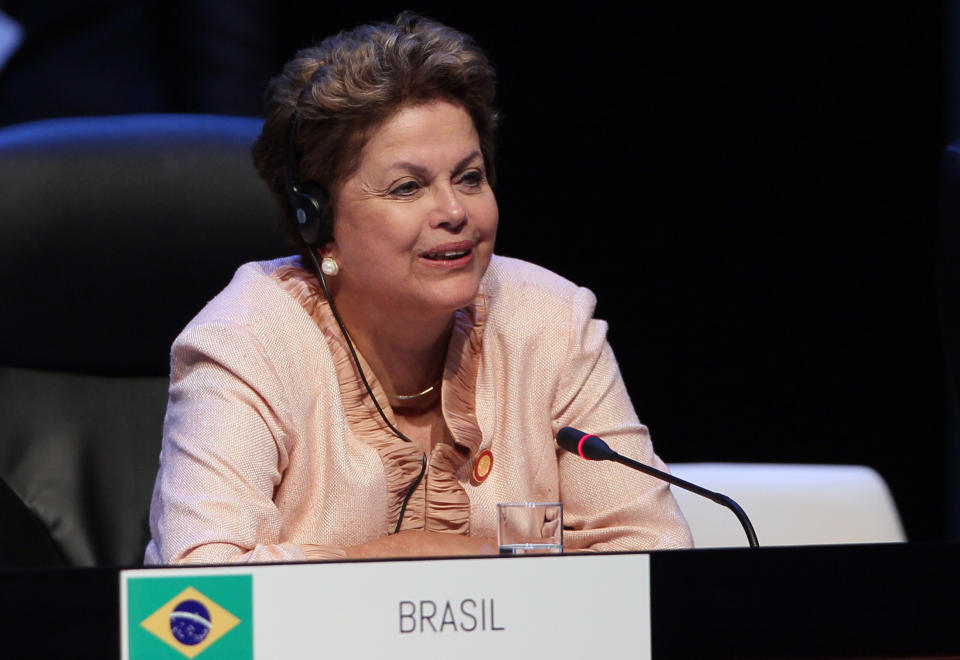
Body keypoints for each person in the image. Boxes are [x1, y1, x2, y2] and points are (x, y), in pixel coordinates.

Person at [144, 11, 692, 565]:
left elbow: (654, 551)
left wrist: (483, 554)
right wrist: (409, 557)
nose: (454, 212)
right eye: (408, 187)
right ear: (319, 221)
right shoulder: (247, 344)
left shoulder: (550, 322)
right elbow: (200, 593)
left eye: (470, 178)